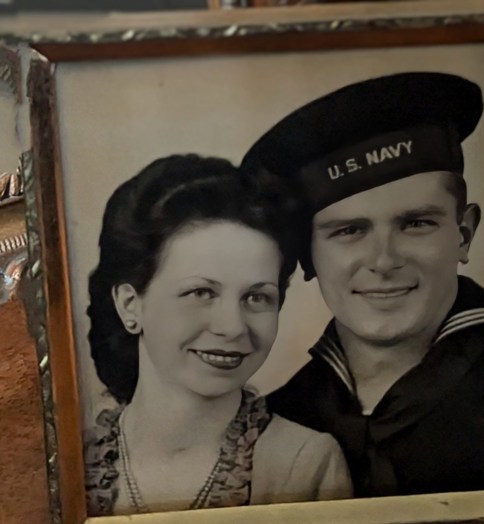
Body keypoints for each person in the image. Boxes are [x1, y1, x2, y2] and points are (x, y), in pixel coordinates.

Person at [241, 72, 484, 497]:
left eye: (416, 223)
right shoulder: (279, 419)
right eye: (349, 231)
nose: (384, 261)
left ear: (463, 234)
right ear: (307, 255)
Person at [84, 154, 352, 516]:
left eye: (257, 297)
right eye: (201, 293)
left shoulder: (302, 465)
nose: (233, 327)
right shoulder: (73, 459)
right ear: (131, 305)